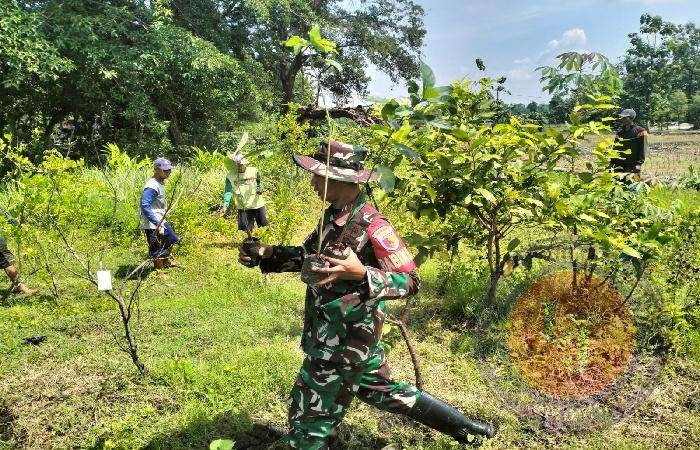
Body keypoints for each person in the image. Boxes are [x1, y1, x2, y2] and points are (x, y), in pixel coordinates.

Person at [238, 140, 495, 449]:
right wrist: (267, 254)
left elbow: (411, 281)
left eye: (318, 176)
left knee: (309, 419)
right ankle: (467, 429)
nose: (312, 183)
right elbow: (311, 257)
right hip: (345, 338)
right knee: (381, 389)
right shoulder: (333, 216)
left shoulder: (374, 226)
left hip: (341, 345)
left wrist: (362, 274)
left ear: (340, 179)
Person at [140, 157, 181, 270]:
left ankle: (166, 262)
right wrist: (156, 223)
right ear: (157, 170)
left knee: (170, 239)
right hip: (153, 221)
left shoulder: (159, 182)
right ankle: (159, 271)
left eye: (169, 169)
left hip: (160, 219)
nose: (168, 172)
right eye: (165, 170)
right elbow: (145, 205)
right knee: (156, 246)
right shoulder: (152, 185)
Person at [219, 152, 268, 239]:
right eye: (237, 164)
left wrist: (260, 189)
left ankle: (263, 239)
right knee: (246, 226)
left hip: (256, 203)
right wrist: (225, 206)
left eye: (241, 164)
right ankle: (250, 239)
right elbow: (228, 191)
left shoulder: (254, 171)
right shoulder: (230, 175)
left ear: (246, 163)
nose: (239, 166)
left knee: (263, 224)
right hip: (242, 205)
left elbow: (259, 182)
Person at [609, 108, 649, 175]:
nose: (622, 119)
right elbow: (615, 147)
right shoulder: (620, 132)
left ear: (631, 118)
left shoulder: (640, 131)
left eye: (625, 117)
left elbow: (643, 149)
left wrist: (639, 164)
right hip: (618, 164)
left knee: (631, 181)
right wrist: (611, 162)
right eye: (622, 117)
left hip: (632, 164)